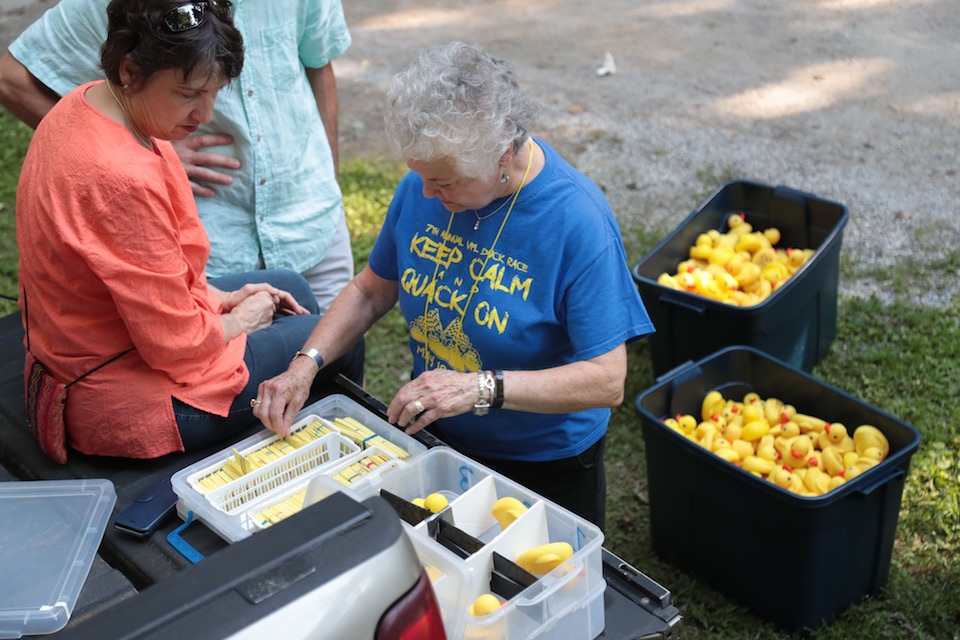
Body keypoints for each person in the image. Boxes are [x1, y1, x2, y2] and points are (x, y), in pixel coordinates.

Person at [253, 42, 655, 529]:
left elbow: (607, 380)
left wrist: (478, 388)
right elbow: (370, 290)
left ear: (503, 155)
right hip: (437, 431)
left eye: (445, 182)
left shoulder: (577, 221)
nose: (427, 193)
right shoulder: (424, 188)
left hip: (541, 462)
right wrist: (305, 365)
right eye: (423, 177)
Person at [16, 0, 359, 460]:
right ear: (131, 70)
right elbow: (175, 346)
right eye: (188, 94)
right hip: (121, 397)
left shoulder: (85, 101)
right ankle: (331, 457)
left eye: (214, 93)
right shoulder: (122, 179)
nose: (205, 113)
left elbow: (143, 283)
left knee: (291, 288)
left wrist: (221, 299)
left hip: (106, 342)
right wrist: (240, 320)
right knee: (335, 343)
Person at [0, 0, 355, 315]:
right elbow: (11, 78)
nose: (204, 112)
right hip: (210, 245)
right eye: (188, 93)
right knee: (237, 366)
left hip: (311, 217)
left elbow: (318, 64)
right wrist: (138, 147)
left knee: (341, 358)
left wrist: (329, 178)